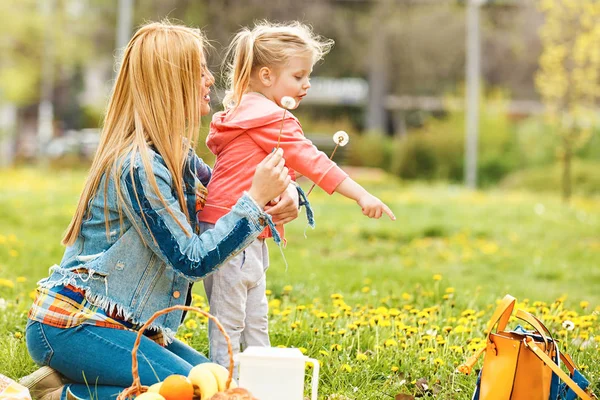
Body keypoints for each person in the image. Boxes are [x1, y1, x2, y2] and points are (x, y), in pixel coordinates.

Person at [20, 21, 303, 400]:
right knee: (193, 393)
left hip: (130, 329)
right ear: (173, 82)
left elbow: (230, 192)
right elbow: (191, 259)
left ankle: (66, 385)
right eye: (199, 70)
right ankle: (65, 395)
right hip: (76, 326)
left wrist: (284, 196)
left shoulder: (178, 158)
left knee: (220, 382)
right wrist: (254, 202)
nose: (209, 79)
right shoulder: (139, 167)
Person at [198, 20, 396, 371]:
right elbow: (314, 162)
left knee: (239, 320)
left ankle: (259, 382)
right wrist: (362, 195)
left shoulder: (237, 115)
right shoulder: (273, 119)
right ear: (266, 76)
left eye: (308, 77)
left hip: (222, 230)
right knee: (235, 325)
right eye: (298, 76)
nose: (306, 85)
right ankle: (225, 387)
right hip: (238, 236)